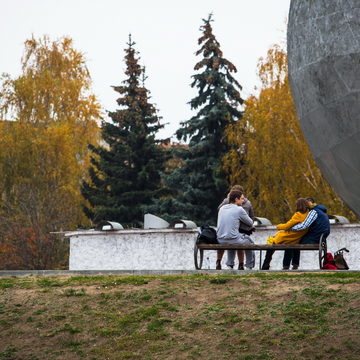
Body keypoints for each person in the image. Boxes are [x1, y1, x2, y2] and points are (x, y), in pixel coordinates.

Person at [282, 197, 330, 270]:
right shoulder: (321, 211)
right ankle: (295, 265)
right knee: (296, 240)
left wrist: (290, 228)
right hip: (320, 238)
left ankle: (286, 266)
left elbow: (304, 225)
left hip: (314, 238)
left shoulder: (314, 212)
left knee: (291, 241)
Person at [261, 198, 309, 270]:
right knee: (274, 240)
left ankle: (265, 265)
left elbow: (287, 226)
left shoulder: (298, 215)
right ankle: (272, 265)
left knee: (271, 242)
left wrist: (278, 226)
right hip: (296, 238)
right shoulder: (307, 215)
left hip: (289, 237)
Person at [216, 185, 255, 270]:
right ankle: (249, 266)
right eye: (242, 198)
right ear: (236, 199)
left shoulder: (222, 208)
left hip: (220, 239)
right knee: (250, 242)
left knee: (232, 239)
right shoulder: (239, 209)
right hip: (233, 238)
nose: (243, 200)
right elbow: (250, 222)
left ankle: (229, 265)